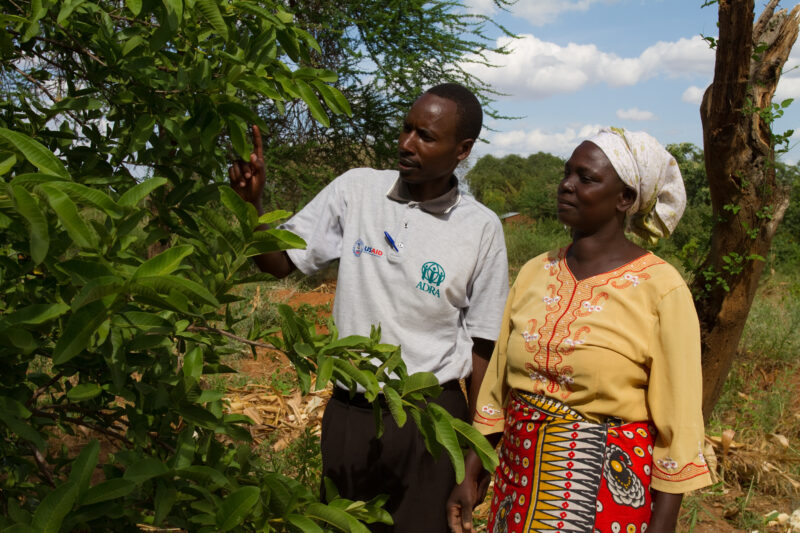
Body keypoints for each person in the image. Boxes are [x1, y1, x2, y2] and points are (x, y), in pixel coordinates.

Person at [229, 83, 509, 531]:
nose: (406, 144)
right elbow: (278, 263)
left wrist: (477, 455)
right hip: (352, 413)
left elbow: (484, 348)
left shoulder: (480, 228)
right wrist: (253, 205)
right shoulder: (356, 190)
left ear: (463, 150)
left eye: (426, 136)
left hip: (430, 421)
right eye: (406, 129)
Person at [447, 127, 712, 533]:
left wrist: (663, 525)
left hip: (605, 493)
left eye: (586, 178)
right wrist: (472, 470)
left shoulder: (661, 288)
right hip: (518, 483)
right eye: (566, 173)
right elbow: (498, 383)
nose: (566, 186)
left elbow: (679, 420)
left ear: (624, 199)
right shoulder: (537, 272)